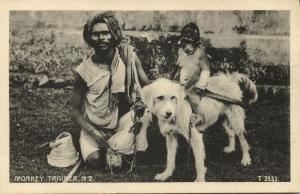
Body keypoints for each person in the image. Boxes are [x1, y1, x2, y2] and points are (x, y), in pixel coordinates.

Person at [71, 12, 150, 170]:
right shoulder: (83, 71)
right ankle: (118, 149)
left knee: (145, 114)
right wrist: (94, 134)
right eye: (95, 34)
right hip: (95, 126)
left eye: (105, 33)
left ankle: (126, 147)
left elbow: (147, 88)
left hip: (121, 123)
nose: (101, 38)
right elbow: (75, 111)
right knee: (95, 161)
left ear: (114, 34)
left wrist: (141, 101)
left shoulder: (129, 58)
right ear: (89, 38)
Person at [173, 22, 210, 95]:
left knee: (193, 100)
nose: (186, 48)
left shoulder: (200, 53)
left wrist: (200, 87)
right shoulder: (181, 51)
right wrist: (174, 79)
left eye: (190, 44)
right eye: (184, 46)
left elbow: (205, 71)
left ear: (196, 43)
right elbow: (180, 67)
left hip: (195, 84)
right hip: (183, 84)